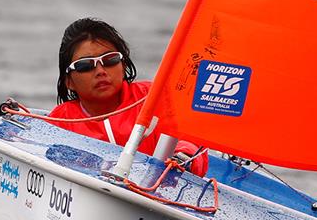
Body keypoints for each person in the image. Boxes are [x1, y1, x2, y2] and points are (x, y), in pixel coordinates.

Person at [48, 18, 208, 176]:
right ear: (68, 81)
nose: (100, 71)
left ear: (123, 65)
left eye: (110, 59)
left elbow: (191, 139)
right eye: (85, 65)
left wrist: (183, 158)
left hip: (154, 195)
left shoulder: (153, 97)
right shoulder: (60, 121)